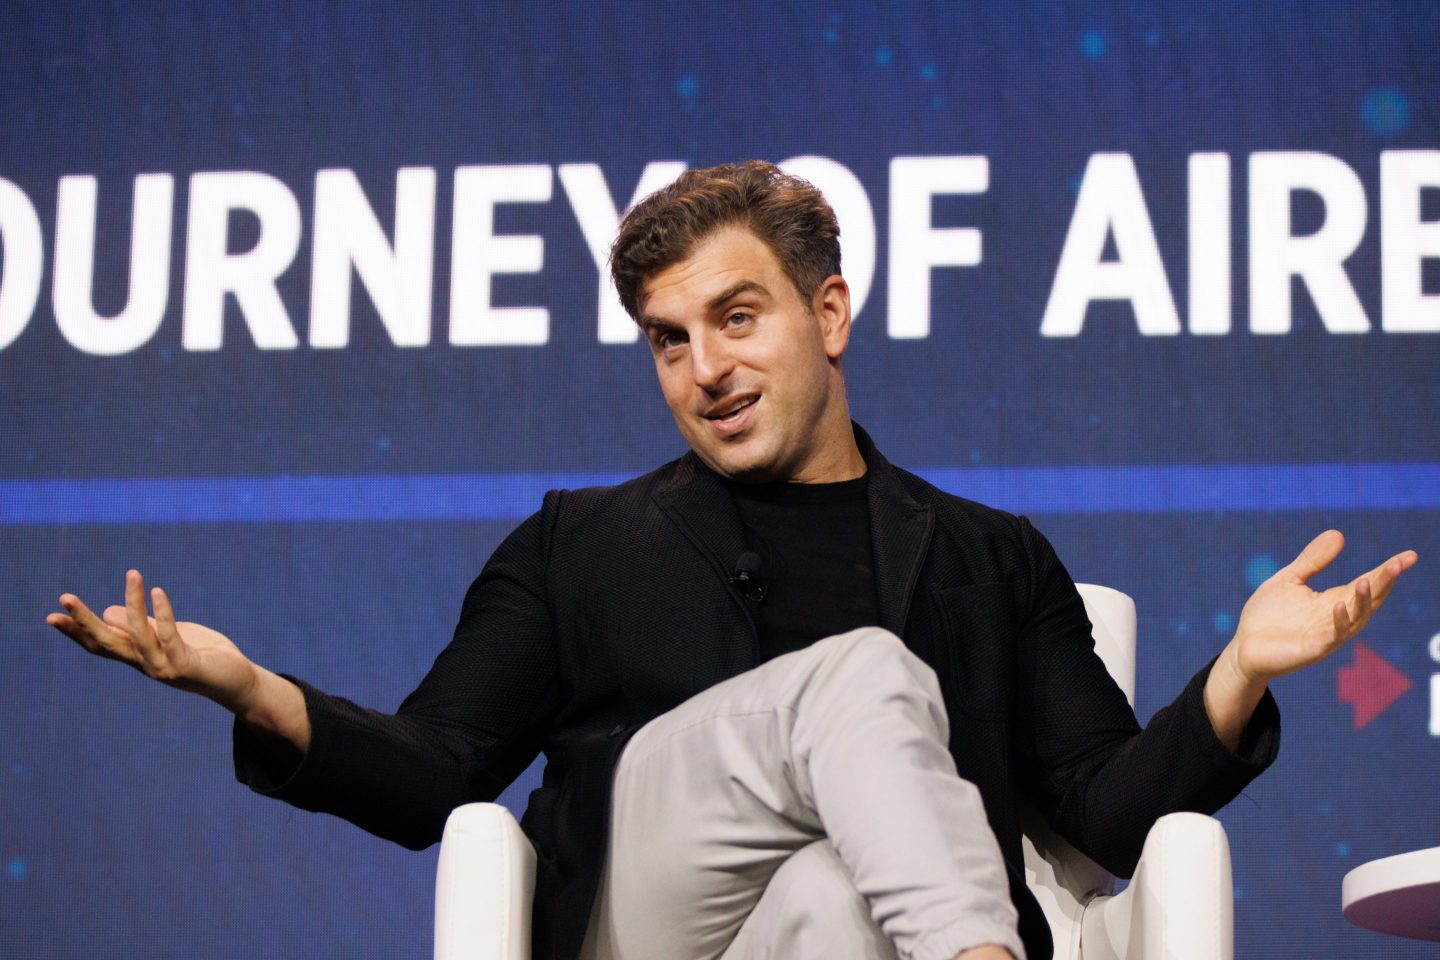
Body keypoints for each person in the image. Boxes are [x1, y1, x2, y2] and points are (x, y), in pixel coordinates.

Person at [47, 161, 1417, 960]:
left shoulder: (991, 558)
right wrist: (249, 691)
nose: (704, 369)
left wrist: (1238, 669)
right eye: (667, 337)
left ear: (828, 312)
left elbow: (1105, 817)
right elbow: (434, 777)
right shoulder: (580, 542)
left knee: (835, 888)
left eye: (736, 317)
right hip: (658, 926)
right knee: (863, 679)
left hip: (853, 934)